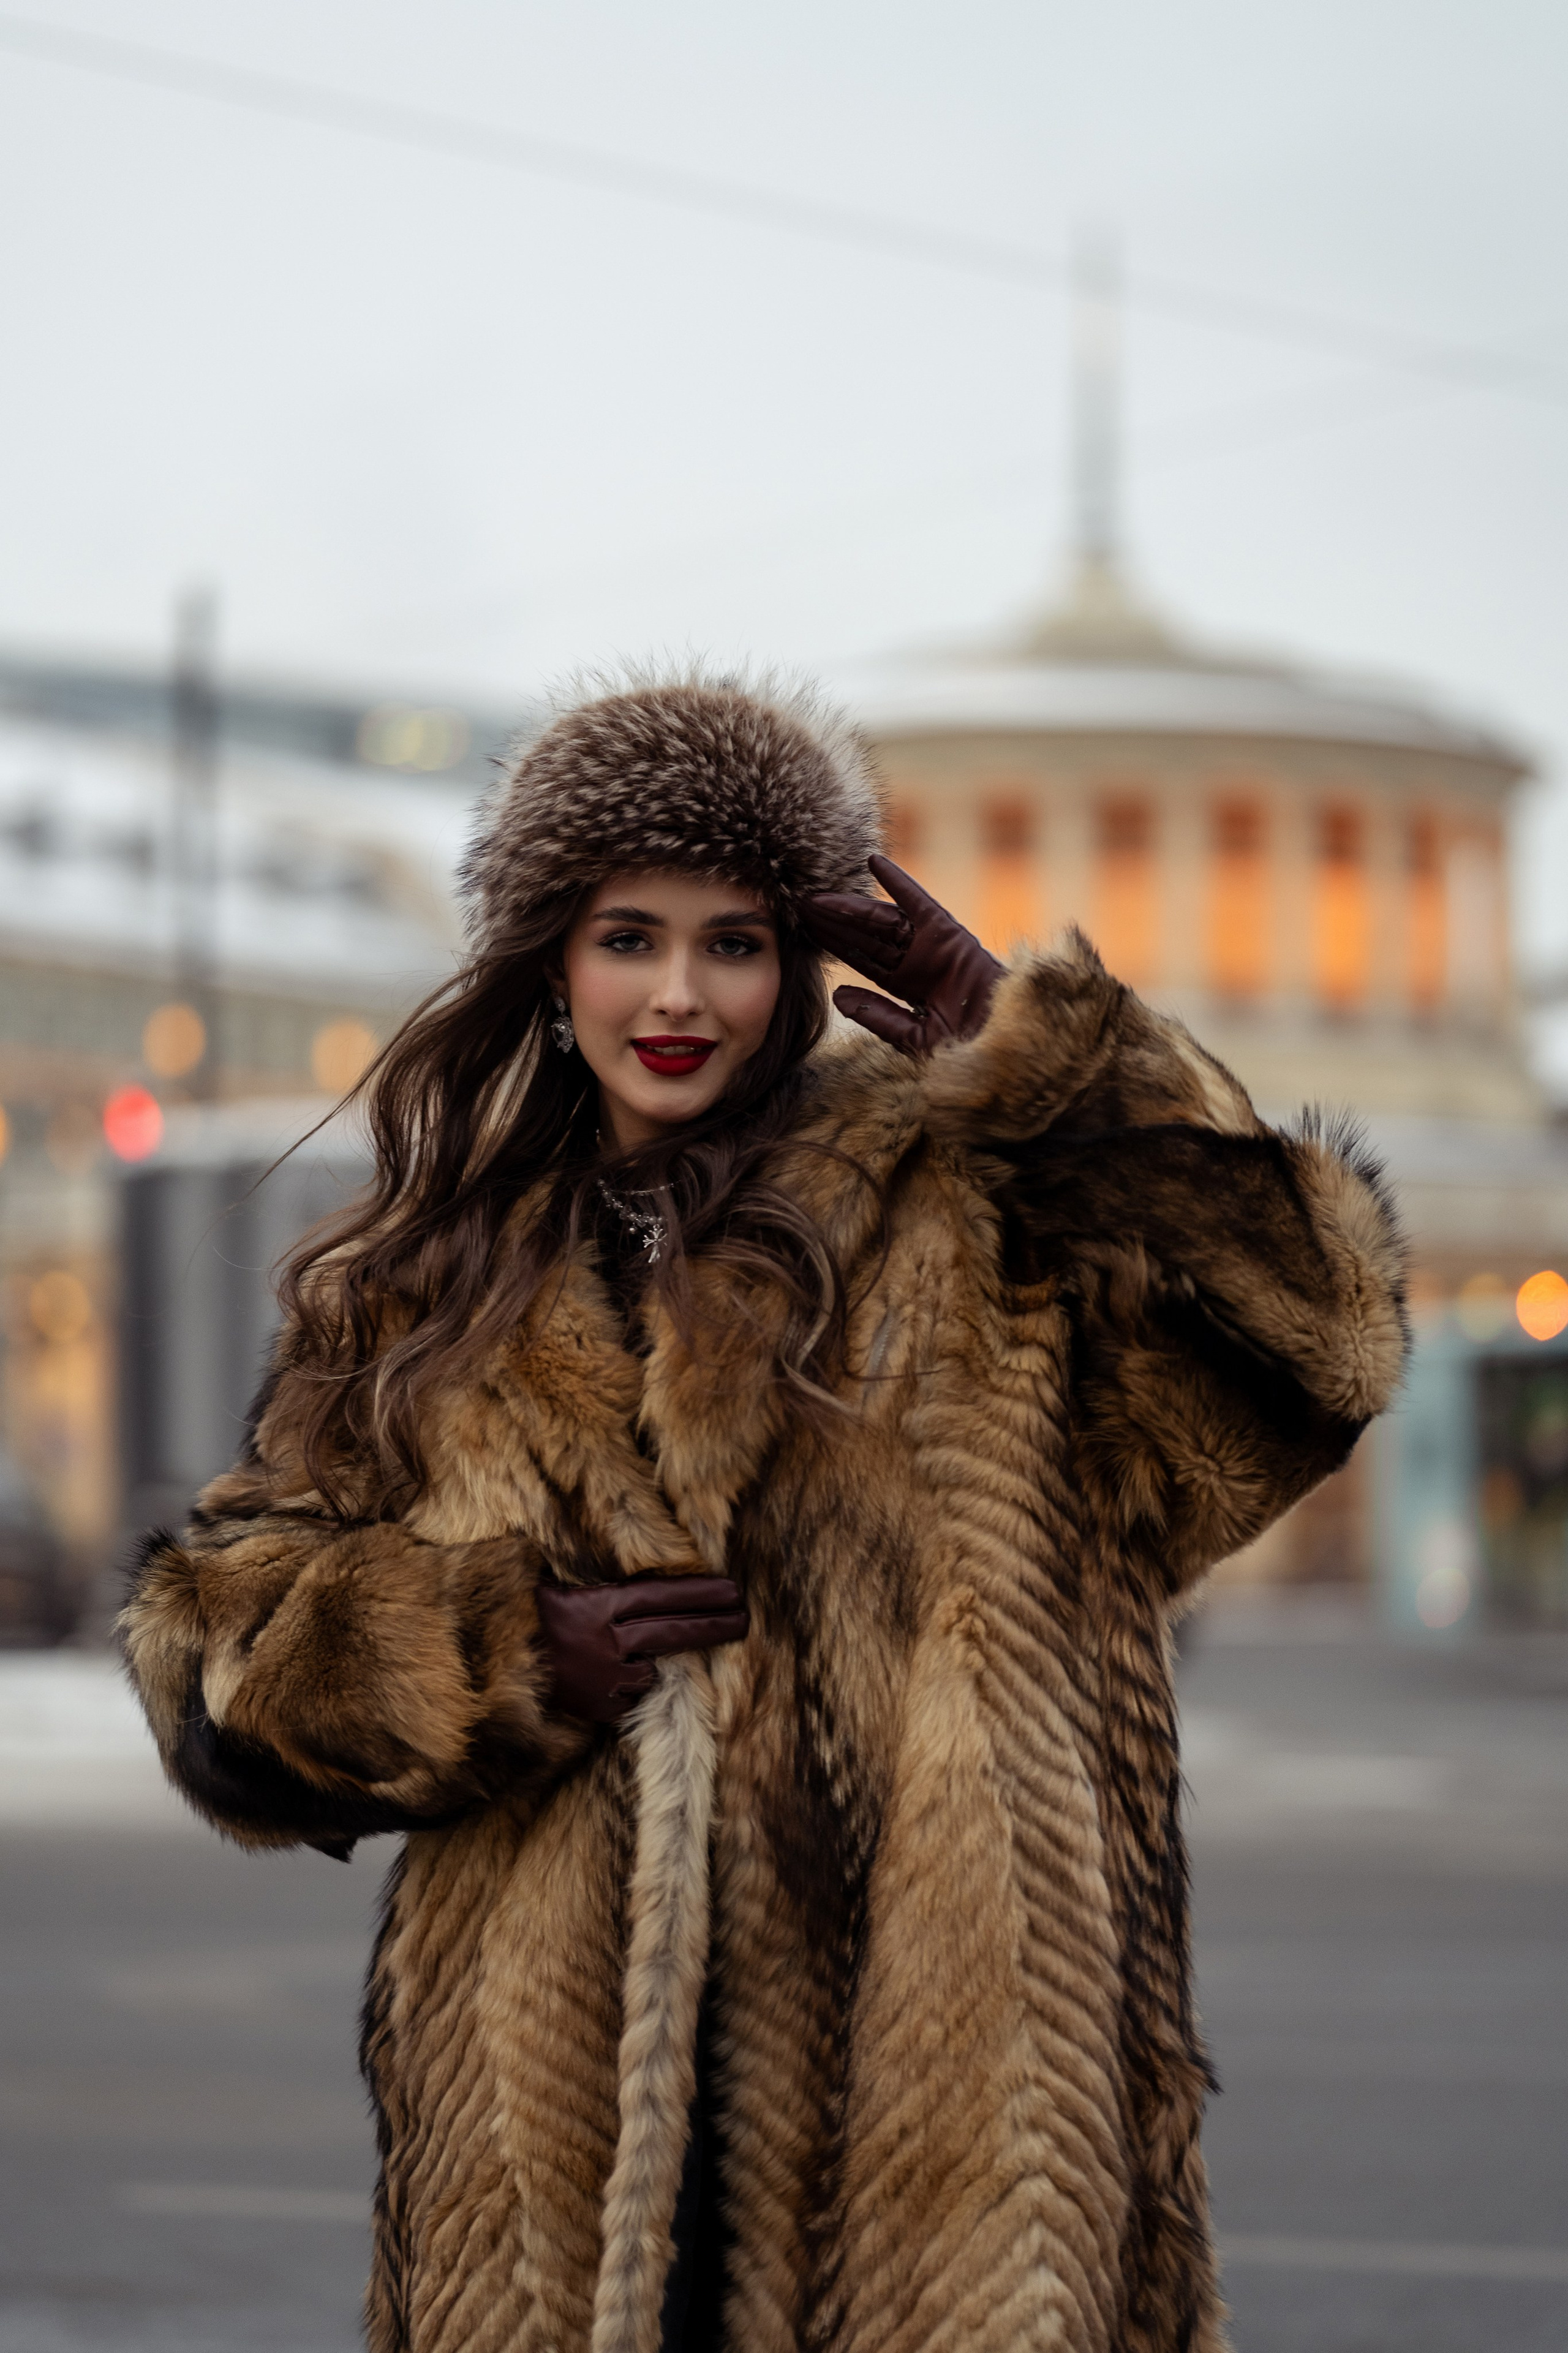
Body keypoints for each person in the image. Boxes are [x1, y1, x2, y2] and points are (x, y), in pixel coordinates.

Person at [123, 670, 1407, 2353]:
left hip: (954, 2206)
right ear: (550, 961)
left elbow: (1319, 1349)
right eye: (626, 936)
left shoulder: (973, 1226)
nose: (678, 993)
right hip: (549, 2216)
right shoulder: (430, 1282)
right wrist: (480, 1655)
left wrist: (1061, 1079)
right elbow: (211, 1654)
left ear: (801, 966)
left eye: (733, 940)